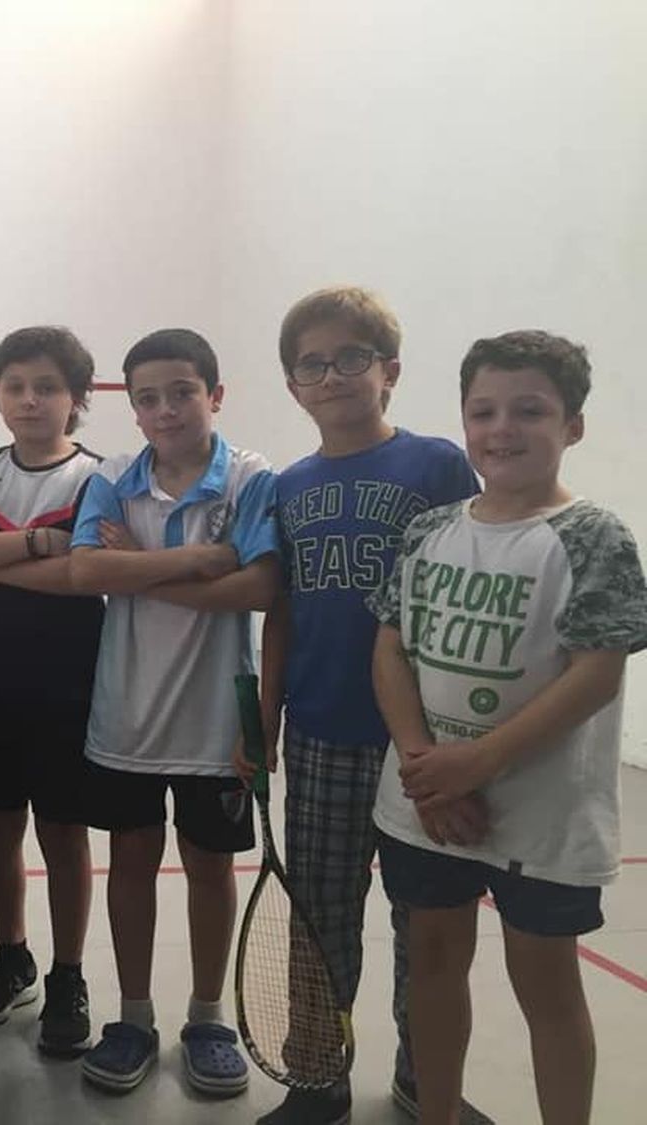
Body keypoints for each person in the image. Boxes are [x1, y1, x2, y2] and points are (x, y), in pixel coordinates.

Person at [371, 330, 647, 1125]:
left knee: (545, 984)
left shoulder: (593, 536)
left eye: (530, 410)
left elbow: (596, 672)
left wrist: (478, 762)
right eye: (484, 411)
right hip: (426, 804)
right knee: (432, 962)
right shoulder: (430, 529)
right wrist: (427, 767)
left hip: (542, 817)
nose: (502, 428)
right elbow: (390, 647)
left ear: (573, 425)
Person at [248, 286, 484, 1125]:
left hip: (425, 743)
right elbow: (280, 611)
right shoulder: (287, 485)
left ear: (390, 370)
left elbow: (470, 583)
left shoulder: (438, 465)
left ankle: (426, 1079)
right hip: (320, 735)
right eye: (313, 364)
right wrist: (266, 718)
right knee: (320, 923)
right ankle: (317, 1081)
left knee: (429, 928)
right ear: (293, 386)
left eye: (352, 357)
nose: (333, 375)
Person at [68, 328, 278, 1097]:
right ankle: (133, 1017)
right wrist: (201, 559)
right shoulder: (112, 476)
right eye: (147, 397)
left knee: (209, 867)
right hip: (125, 716)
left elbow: (260, 587)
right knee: (129, 861)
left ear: (214, 395)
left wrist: (138, 566)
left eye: (182, 392)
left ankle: (207, 1018)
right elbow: (85, 569)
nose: (165, 409)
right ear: (132, 407)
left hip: (217, 723)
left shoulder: (250, 477)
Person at [0, 326, 103, 1058]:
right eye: (16, 387)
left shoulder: (99, 477)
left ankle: (68, 973)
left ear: (76, 399)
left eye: (47, 387)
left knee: (64, 835)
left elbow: (83, 575)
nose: (30, 400)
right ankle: (13, 958)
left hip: (70, 687)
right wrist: (35, 547)